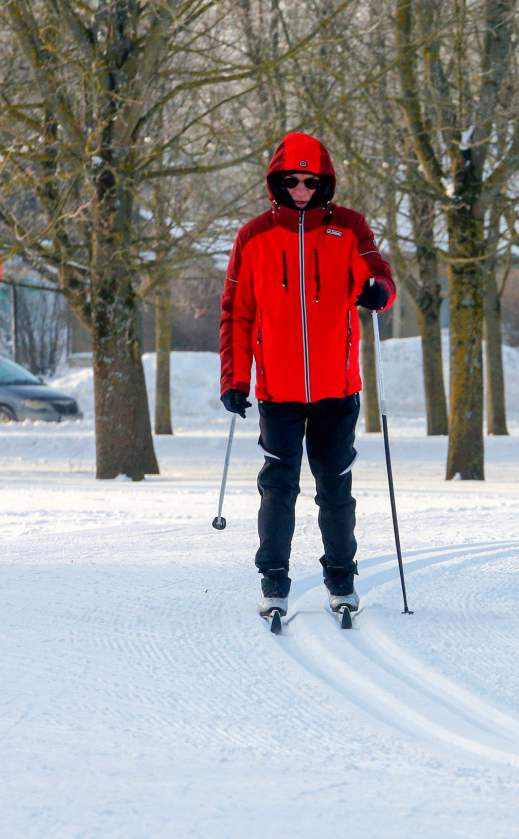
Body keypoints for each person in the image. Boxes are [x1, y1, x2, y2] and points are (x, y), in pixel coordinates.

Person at [219, 131, 396, 622]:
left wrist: (379, 289)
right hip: (277, 390)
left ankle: (342, 580)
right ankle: (273, 582)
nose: (300, 189)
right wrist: (234, 379)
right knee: (278, 486)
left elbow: (375, 271)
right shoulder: (253, 236)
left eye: (310, 181)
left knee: (334, 486)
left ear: (324, 182)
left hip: (336, 388)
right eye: (291, 180)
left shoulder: (348, 227)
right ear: (277, 181)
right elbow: (236, 313)